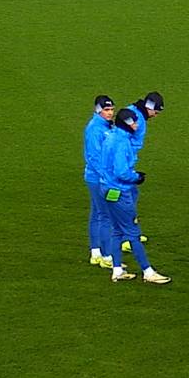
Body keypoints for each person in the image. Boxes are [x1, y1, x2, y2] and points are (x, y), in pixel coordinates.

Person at [100, 108, 170, 284]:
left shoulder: (110, 136)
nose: (137, 125)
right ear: (126, 124)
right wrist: (137, 177)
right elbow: (121, 171)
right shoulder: (122, 142)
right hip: (120, 191)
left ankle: (117, 270)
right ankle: (148, 271)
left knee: (117, 231)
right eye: (133, 122)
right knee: (132, 232)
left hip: (106, 188)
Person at [118, 90, 163, 249]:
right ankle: (126, 239)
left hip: (127, 161)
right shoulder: (136, 116)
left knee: (132, 196)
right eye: (155, 111)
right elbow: (122, 117)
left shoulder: (136, 112)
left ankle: (130, 234)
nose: (156, 115)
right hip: (123, 163)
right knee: (125, 200)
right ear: (149, 107)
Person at [83, 95, 115, 268]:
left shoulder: (104, 125)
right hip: (99, 178)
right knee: (106, 216)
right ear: (98, 110)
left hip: (95, 177)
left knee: (96, 213)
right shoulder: (96, 129)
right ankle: (107, 257)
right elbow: (94, 157)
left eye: (111, 110)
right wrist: (108, 177)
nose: (110, 113)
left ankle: (95, 253)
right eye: (106, 110)